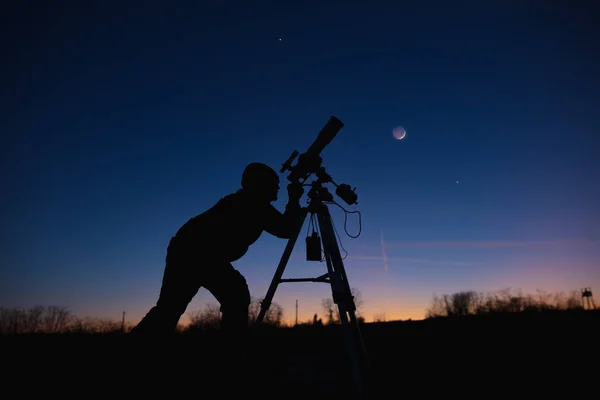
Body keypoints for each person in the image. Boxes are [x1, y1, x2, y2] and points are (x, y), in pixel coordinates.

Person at [130, 162, 305, 342]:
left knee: (171, 308)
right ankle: (233, 353)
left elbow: (283, 227)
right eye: (274, 183)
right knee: (234, 296)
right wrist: (294, 199)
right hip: (196, 252)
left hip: (190, 250)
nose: (277, 187)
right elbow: (285, 230)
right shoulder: (252, 203)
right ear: (260, 184)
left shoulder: (246, 200)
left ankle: (136, 347)